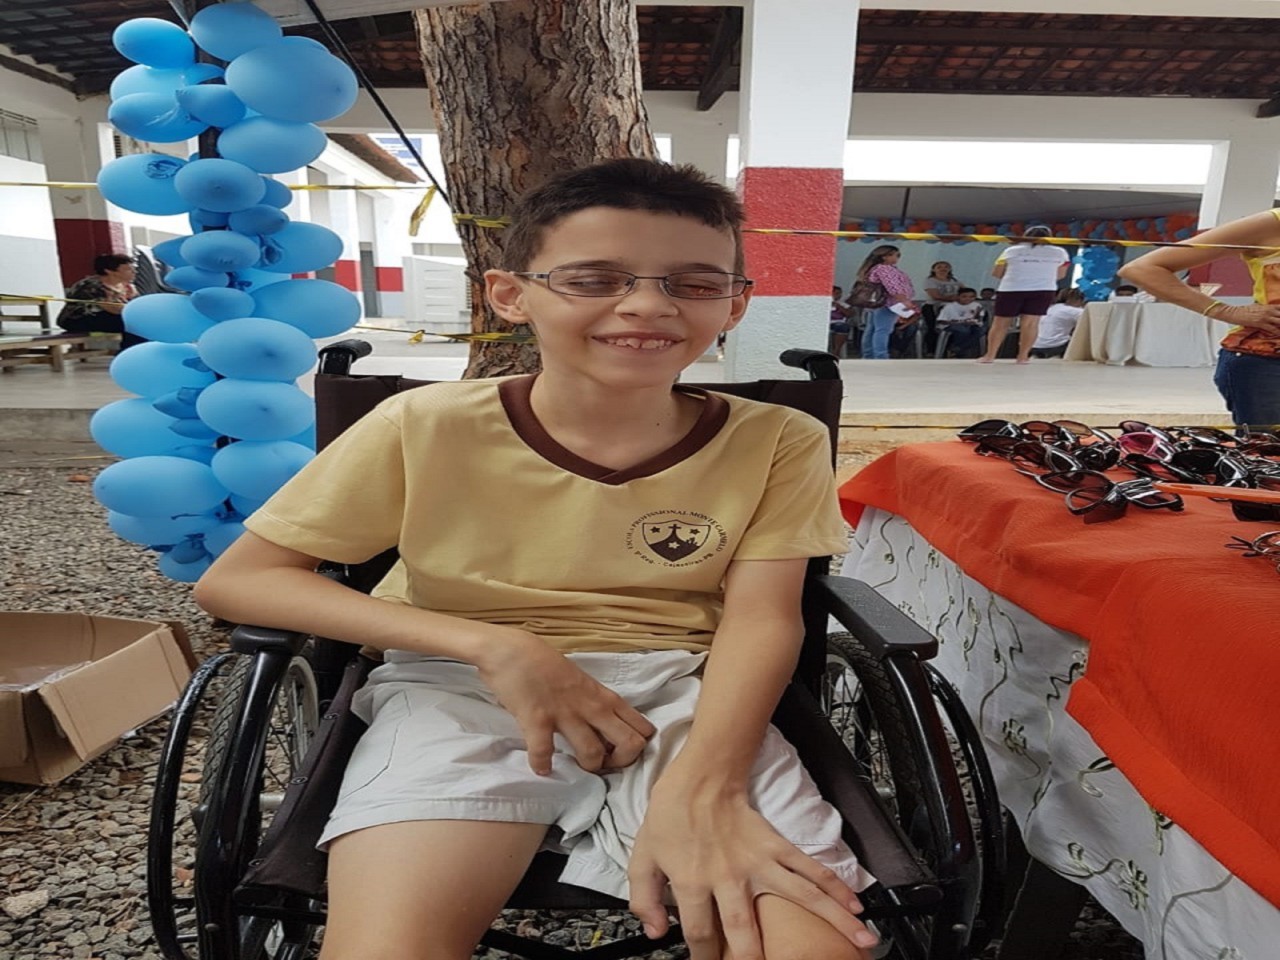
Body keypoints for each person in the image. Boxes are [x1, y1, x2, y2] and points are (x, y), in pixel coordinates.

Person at [193, 158, 879, 960]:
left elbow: (765, 618)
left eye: (694, 283)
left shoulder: (777, 439)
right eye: (595, 278)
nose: (648, 305)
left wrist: (707, 786)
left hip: (687, 696)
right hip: (458, 689)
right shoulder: (423, 426)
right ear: (510, 294)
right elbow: (239, 581)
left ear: (735, 303)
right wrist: (498, 646)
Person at [1119, 209, 1280, 427]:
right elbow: (1141, 269)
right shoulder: (1272, 223)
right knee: (1266, 447)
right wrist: (1225, 311)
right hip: (1267, 361)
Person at [977, 225, 1070, 365]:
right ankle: (1023, 357)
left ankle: (990, 356)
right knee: (1031, 324)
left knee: (1000, 324)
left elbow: (997, 272)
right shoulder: (1060, 252)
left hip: (1011, 288)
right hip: (1043, 289)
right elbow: (1061, 275)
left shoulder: (1011, 250)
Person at [56, 254, 142, 349]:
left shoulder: (127, 286)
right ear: (109, 271)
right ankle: (130, 352)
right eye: (128, 269)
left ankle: (136, 349)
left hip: (106, 316)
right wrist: (132, 305)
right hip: (79, 319)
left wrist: (132, 298)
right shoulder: (92, 286)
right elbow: (113, 309)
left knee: (138, 323)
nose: (134, 272)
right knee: (132, 324)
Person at [856, 245, 917, 360]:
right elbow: (892, 286)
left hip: (876, 302)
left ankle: (868, 355)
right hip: (888, 303)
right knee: (883, 329)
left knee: (872, 329)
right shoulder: (884, 269)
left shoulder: (875, 268)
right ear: (885, 256)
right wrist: (904, 300)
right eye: (895, 255)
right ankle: (881, 355)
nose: (897, 258)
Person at [1028, 288, 1086, 359]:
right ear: (1078, 300)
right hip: (1056, 346)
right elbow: (1091, 317)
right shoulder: (1074, 311)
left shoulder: (1048, 308)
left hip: (1035, 345)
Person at [921, 261, 962, 354]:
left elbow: (965, 291)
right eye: (939, 267)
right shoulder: (930, 281)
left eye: (946, 267)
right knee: (933, 328)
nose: (943, 269)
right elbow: (935, 295)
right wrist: (952, 298)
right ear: (933, 269)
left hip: (952, 308)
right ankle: (931, 351)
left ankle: (949, 349)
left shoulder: (955, 281)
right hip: (933, 308)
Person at [934, 286, 985, 358]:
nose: (968, 299)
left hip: (970, 325)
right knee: (963, 330)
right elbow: (941, 320)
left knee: (980, 331)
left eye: (971, 297)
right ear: (958, 297)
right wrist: (959, 323)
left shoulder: (977, 305)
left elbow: (979, 318)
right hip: (951, 325)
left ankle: (956, 349)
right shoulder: (949, 306)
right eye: (964, 296)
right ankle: (959, 351)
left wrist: (974, 321)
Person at [829, 284, 854, 357]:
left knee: (842, 327)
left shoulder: (843, 304)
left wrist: (839, 306)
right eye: (837, 293)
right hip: (826, 324)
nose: (839, 295)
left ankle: (836, 351)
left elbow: (850, 314)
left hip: (839, 323)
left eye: (840, 293)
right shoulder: (824, 303)